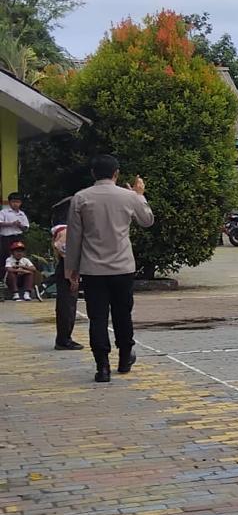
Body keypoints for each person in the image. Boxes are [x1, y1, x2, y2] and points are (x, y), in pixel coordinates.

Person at [64, 154, 155, 383]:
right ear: (116, 173)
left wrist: (71, 269)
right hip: (122, 267)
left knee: (97, 318)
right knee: (123, 314)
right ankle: (125, 357)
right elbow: (147, 220)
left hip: (93, 269)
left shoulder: (81, 198)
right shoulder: (129, 196)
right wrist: (140, 195)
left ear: (93, 173)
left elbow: (74, 237)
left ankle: (102, 366)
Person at [49, 197, 80, 349]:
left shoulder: (61, 230)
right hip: (68, 269)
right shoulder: (66, 231)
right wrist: (72, 277)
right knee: (67, 305)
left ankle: (64, 337)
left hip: (66, 268)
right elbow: (66, 254)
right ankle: (64, 339)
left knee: (67, 304)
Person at [0, 191, 30, 268]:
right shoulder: (4, 212)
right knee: (5, 256)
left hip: (18, 237)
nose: (15, 204)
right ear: (9, 202)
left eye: (17, 202)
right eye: (13, 202)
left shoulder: (22, 214)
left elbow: (26, 228)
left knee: (20, 257)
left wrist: (19, 225)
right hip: (6, 238)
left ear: (20, 203)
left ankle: (20, 272)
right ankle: (4, 274)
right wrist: (12, 224)